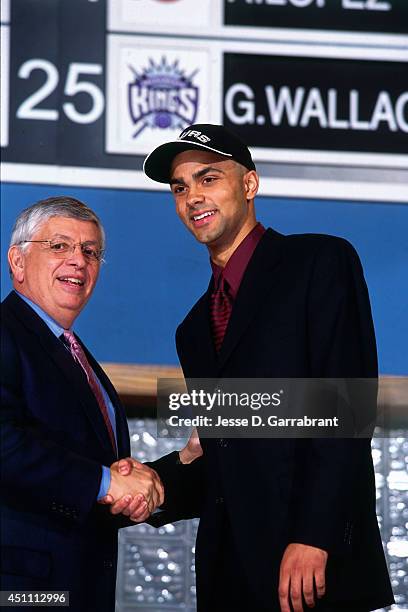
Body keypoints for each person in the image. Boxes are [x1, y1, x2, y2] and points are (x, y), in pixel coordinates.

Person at [123, 124, 393, 611]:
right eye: (179, 188)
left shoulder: (319, 262)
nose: (191, 198)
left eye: (208, 179)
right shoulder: (193, 329)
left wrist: (315, 536)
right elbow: (224, 459)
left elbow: (347, 413)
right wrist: (151, 485)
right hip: (232, 580)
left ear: (249, 184)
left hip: (313, 574)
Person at [0, 196, 165, 612]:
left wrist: (159, 473)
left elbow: (96, 470)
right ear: (17, 263)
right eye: (59, 246)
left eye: (90, 252)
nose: (79, 260)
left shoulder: (73, 354)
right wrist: (109, 483)